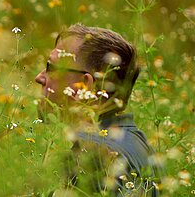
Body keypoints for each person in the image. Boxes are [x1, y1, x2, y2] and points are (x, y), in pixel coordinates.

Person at [34, 23, 160, 196]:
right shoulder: (139, 144)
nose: (39, 77)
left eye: (51, 67)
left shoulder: (93, 159)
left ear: (84, 85)